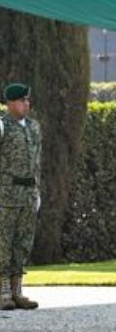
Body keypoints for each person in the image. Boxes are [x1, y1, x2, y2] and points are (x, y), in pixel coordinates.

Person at [0, 83, 41, 311]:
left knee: (23, 242)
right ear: (9, 103)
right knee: (4, 242)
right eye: (21, 100)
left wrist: (38, 192)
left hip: (28, 193)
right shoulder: (2, 125)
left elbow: (37, 162)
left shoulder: (33, 127)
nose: (26, 103)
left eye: (27, 100)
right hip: (6, 193)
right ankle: (3, 290)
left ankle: (17, 290)